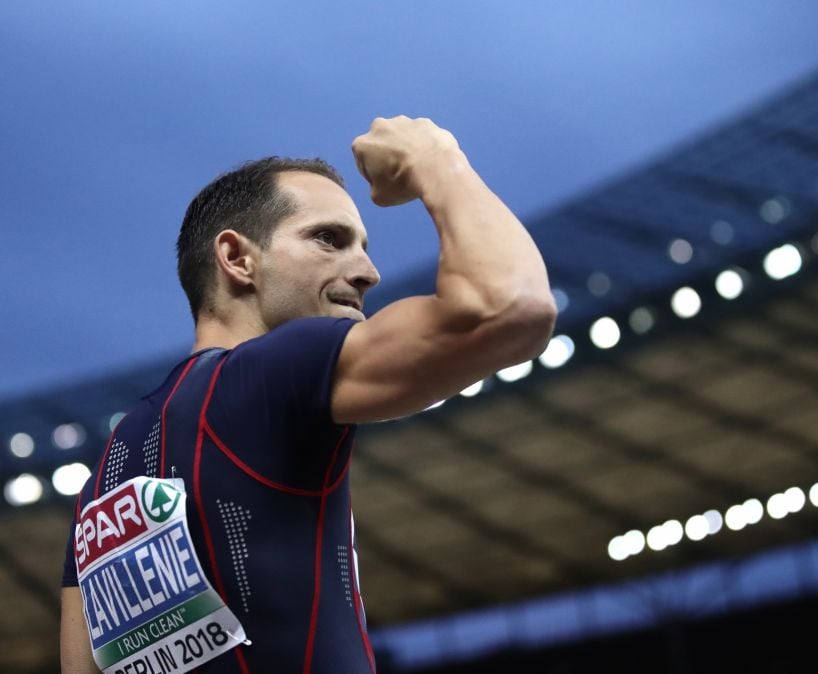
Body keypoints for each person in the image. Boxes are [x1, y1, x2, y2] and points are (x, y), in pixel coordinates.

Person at [60, 116, 557, 673]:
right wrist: (437, 158)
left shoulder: (103, 484)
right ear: (237, 258)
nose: (368, 271)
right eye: (329, 238)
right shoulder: (271, 373)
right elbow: (511, 308)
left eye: (363, 246)